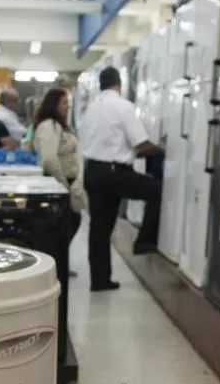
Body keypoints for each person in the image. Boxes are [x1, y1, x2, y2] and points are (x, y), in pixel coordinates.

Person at [79, 66, 165, 292]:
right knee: (157, 190)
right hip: (115, 173)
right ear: (119, 84)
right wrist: (161, 149)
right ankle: (145, 241)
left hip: (93, 172)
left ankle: (100, 280)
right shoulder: (124, 107)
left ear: (101, 84)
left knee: (99, 229)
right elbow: (141, 143)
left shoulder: (91, 109)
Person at [33, 87, 85, 273]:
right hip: (57, 184)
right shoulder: (49, 126)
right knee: (64, 225)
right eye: (64, 103)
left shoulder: (58, 125)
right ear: (53, 104)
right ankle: (55, 265)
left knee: (69, 223)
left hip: (65, 183)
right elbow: (49, 158)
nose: (67, 107)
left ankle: (59, 263)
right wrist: (62, 184)